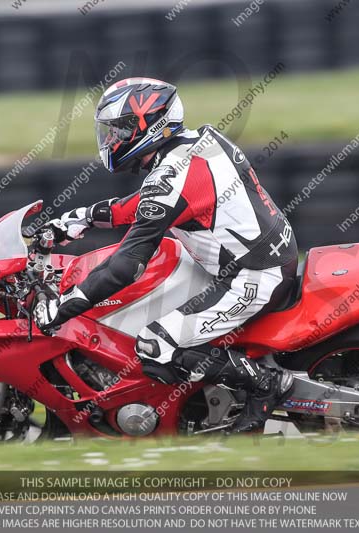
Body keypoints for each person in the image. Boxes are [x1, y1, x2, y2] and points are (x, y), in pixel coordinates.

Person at [34, 77, 298, 433]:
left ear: (149, 125)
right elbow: (149, 206)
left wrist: (64, 307)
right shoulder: (199, 141)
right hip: (257, 254)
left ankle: (266, 385)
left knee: (156, 344)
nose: (111, 140)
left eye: (119, 131)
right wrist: (79, 219)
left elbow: (125, 266)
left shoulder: (172, 175)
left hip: (255, 275)